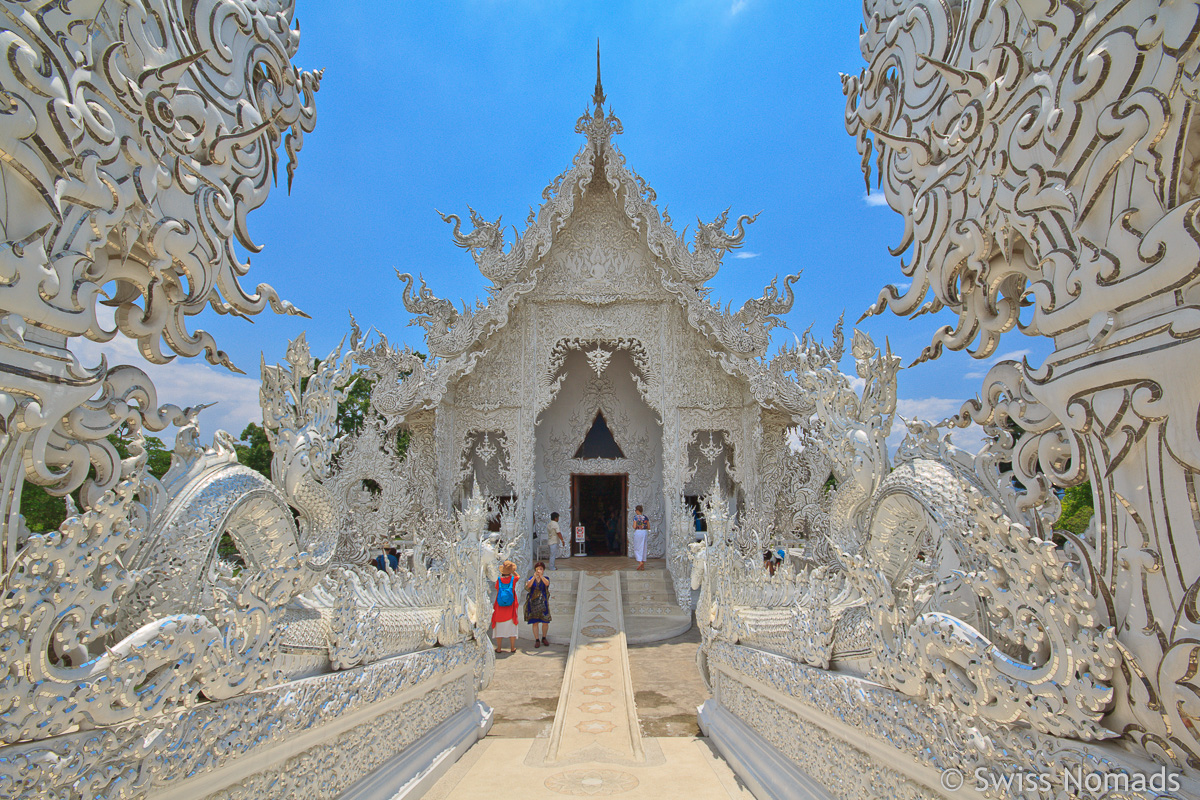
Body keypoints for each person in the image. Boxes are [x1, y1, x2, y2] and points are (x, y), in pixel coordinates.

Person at [491, 560, 520, 653]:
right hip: (510, 607)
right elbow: (518, 576)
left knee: (499, 629)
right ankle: (512, 647)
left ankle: (499, 648)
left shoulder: (499, 580)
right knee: (511, 628)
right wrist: (512, 571)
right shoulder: (513, 580)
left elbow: (496, 588)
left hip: (500, 608)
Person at [524, 561, 552, 648]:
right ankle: (537, 639)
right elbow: (528, 586)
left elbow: (547, 583)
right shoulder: (531, 578)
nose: (539, 570)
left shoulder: (545, 578)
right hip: (533, 603)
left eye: (541, 569)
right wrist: (534, 577)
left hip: (543, 603)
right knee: (535, 622)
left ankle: (544, 637)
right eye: (538, 569)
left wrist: (541, 576)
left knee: (545, 622)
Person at [631, 505, 649, 570]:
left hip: (638, 532)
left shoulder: (636, 517)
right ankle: (643, 566)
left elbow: (634, 526)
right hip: (645, 532)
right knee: (644, 547)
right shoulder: (645, 517)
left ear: (637, 511)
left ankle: (640, 561)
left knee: (637, 547)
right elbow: (648, 527)